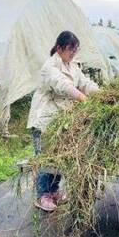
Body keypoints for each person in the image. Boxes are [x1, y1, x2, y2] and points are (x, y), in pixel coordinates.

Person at [26, 31, 99, 212]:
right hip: (45, 119)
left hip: (60, 120)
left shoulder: (72, 66)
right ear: (59, 48)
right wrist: (82, 98)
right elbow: (64, 86)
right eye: (70, 49)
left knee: (59, 156)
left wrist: (102, 94)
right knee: (46, 157)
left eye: (75, 50)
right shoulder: (50, 67)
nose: (73, 53)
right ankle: (42, 195)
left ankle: (54, 191)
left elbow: (85, 83)